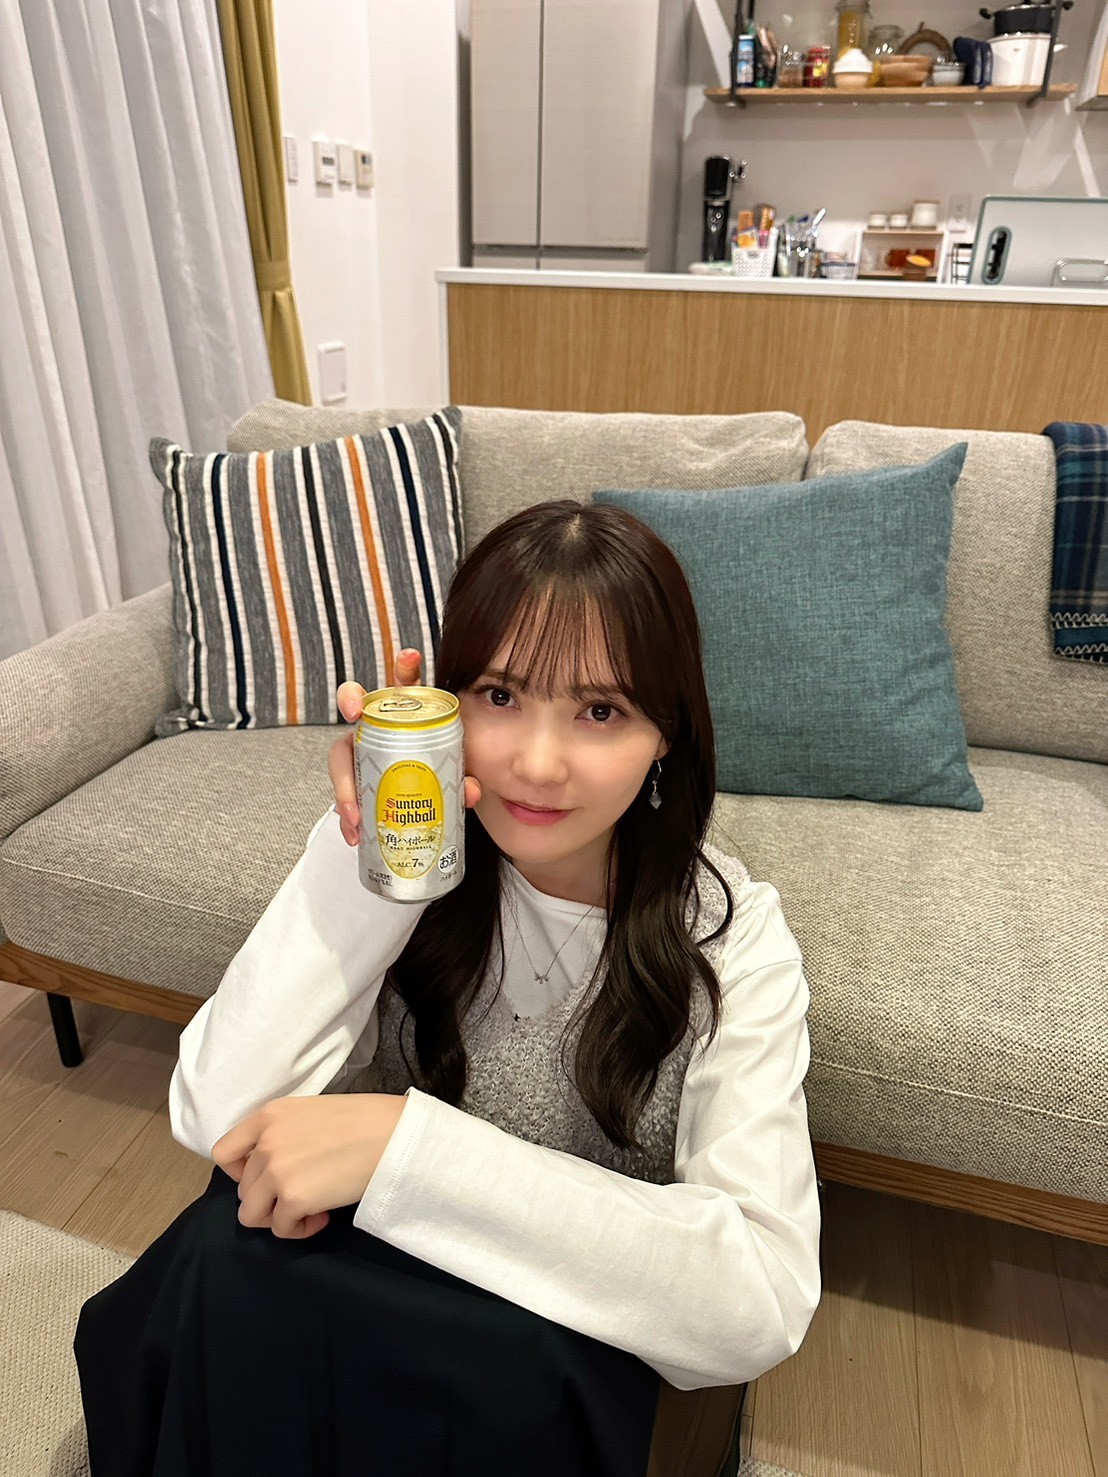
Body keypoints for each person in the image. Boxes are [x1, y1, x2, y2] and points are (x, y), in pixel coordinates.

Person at [74, 499, 821, 1477]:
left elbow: (759, 1296)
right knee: (225, 1247)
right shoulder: (424, 859)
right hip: (376, 1301)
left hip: (541, 1359)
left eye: (600, 711)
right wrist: (365, 855)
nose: (537, 763)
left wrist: (403, 1145)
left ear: (665, 735)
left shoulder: (730, 938)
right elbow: (217, 1114)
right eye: (499, 695)